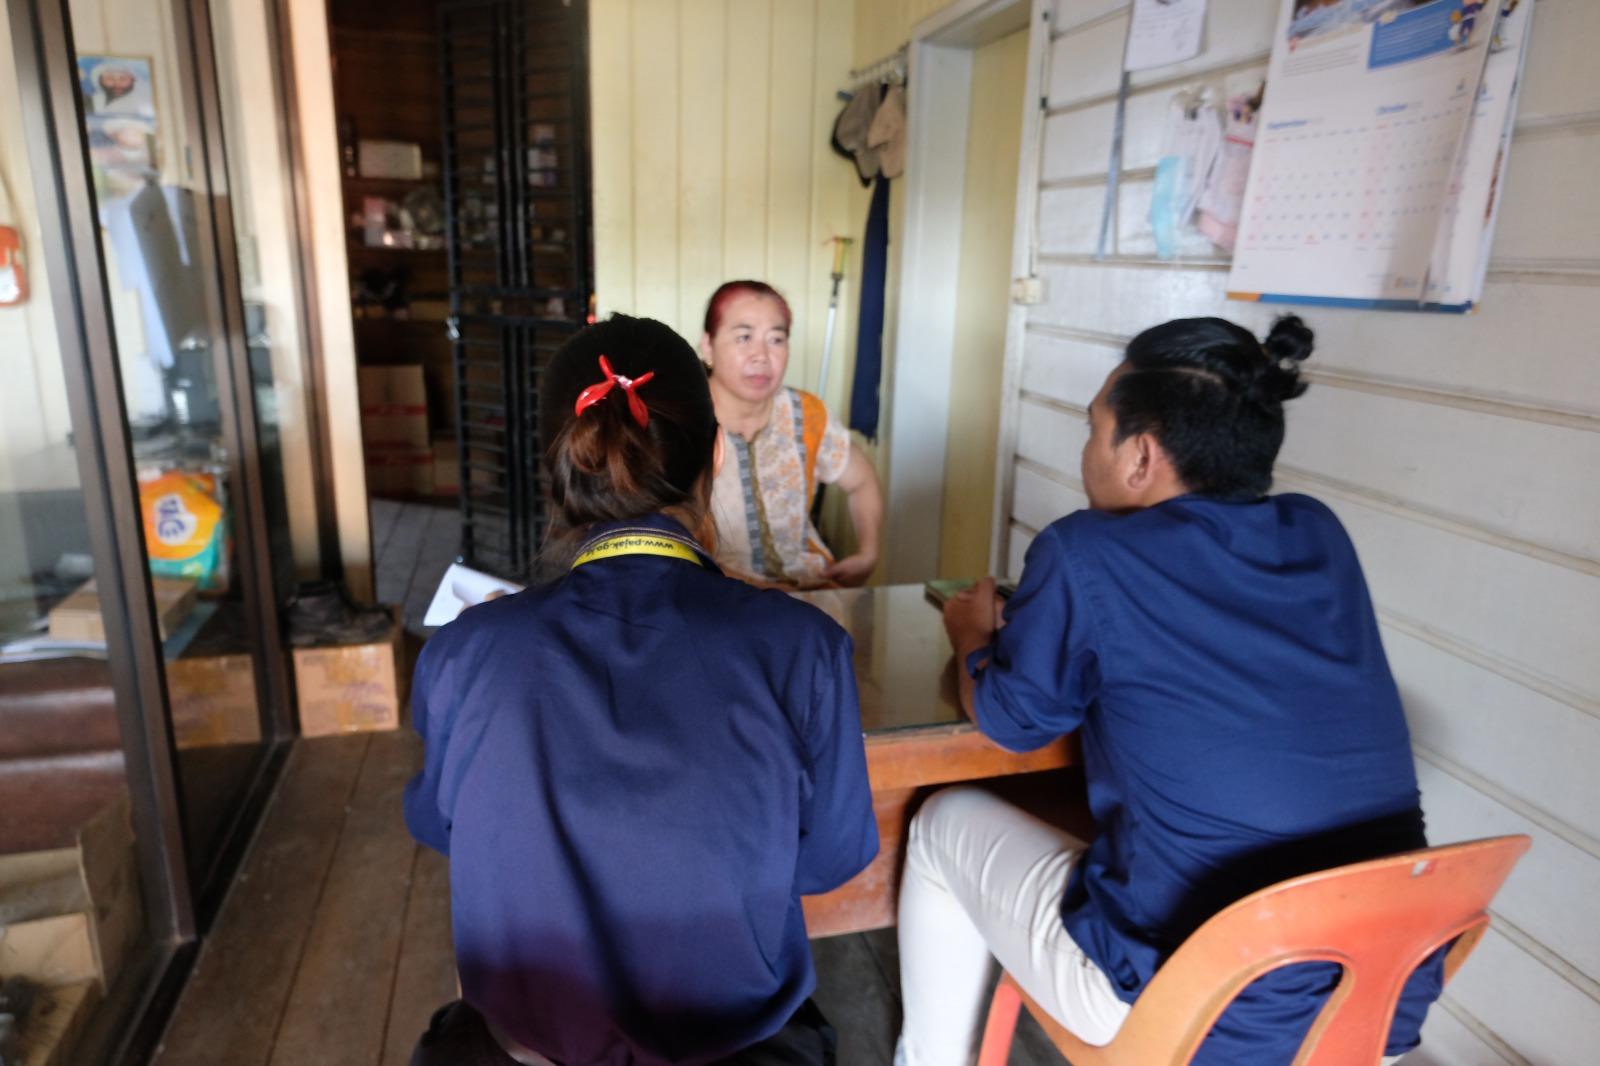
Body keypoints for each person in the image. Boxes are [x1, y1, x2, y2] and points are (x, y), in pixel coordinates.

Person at [894, 315, 1444, 1065]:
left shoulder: (1086, 549)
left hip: (1202, 1012)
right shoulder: (1319, 533)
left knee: (940, 821)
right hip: (1378, 999)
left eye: (1094, 429)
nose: (1088, 449)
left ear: (1142, 455)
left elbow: (1013, 721)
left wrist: (971, 636)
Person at [404, 315, 878, 1065]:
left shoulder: (467, 651)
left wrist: (490, 648)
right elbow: (829, 859)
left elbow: (440, 822)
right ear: (715, 456)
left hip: (530, 1052)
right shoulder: (806, 647)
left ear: (558, 464)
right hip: (737, 1048)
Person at [700, 280, 883, 588]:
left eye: (776, 339)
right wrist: (763, 591)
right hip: (713, 595)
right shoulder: (682, 420)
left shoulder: (807, 414)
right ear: (708, 345)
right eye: (744, 337)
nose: (761, 355)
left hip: (809, 590)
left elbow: (861, 481)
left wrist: (869, 553)